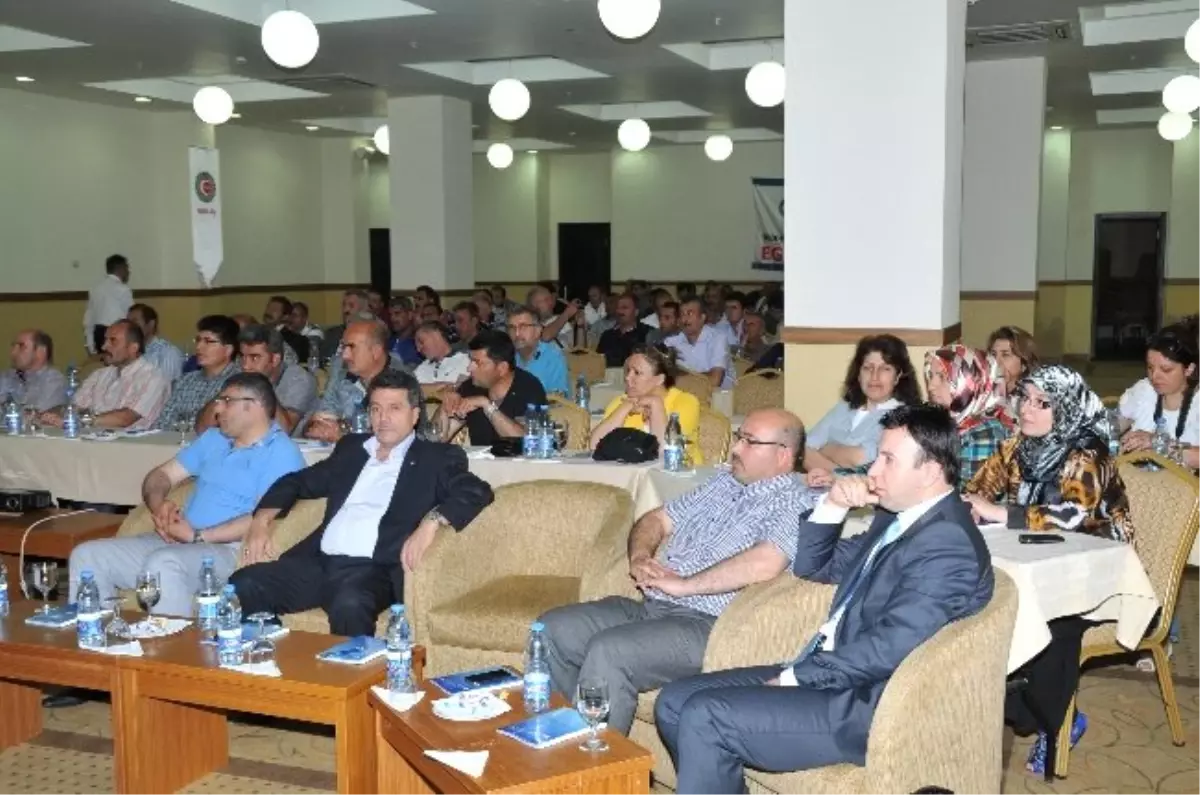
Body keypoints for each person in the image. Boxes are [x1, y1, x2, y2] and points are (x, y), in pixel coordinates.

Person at [654, 404, 994, 792]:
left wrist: (796, 678)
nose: (873, 472)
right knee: (675, 700)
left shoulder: (947, 544)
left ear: (930, 471)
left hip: (865, 705)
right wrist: (833, 505)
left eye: (887, 460)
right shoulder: (898, 517)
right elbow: (813, 566)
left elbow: (887, 649)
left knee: (704, 714)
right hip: (830, 673)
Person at [540, 409, 815, 734]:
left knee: (610, 650)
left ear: (783, 456)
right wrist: (640, 556)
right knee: (550, 629)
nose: (736, 449)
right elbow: (655, 519)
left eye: (749, 442)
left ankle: (592, 774)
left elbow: (767, 561)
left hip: (707, 626)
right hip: (652, 608)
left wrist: (686, 585)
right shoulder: (722, 483)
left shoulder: (796, 502)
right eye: (739, 437)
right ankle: (556, 746)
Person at [232, 370, 494, 635]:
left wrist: (432, 522)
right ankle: (274, 659)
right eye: (376, 409)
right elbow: (297, 482)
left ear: (414, 415)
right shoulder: (353, 450)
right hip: (318, 562)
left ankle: (350, 675)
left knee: (350, 603)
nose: (383, 418)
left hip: (373, 570)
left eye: (394, 408)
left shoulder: (434, 458)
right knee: (244, 583)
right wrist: (261, 519)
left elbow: (475, 490)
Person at [68, 372, 304, 618]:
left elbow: (262, 514)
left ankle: (170, 652)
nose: (217, 409)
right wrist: (159, 506)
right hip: (176, 542)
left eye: (225, 401)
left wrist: (198, 536)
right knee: (88, 556)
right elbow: (159, 476)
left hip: (228, 550)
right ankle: (96, 648)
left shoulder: (281, 452)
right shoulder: (214, 439)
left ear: (252, 406)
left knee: (163, 565)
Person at [964, 364, 1135, 543]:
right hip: (1035, 545)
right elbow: (977, 490)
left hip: (1097, 552)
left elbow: (1072, 517)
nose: (1024, 409)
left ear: (1065, 407)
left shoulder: (1089, 453)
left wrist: (999, 513)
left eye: (1042, 402)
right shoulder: (1016, 445)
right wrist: (973, 508)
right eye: (1024, 397)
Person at [803, 334, 919, 484]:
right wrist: (843, 476)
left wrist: (824, 450)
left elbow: (862, 460)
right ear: (858, 374)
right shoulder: (844, 407)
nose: (874, 377)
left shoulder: (903, 416)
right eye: (867, 368)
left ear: (898, 376)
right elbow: (804, 449)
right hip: (823, 486)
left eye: (885, 369)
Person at [40, 321, 169, 431]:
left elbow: (125, 419)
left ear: (133, 348)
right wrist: (48, 415)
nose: (104, 346)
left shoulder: (153, 377)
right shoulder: (100, 375)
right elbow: (75, 407)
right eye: (105, 340)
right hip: (91, 441)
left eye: (113, 341)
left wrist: (81, 421)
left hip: (134, 449)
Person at [590, 345, 703, 463]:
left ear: (659, 379)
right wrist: (626, 407)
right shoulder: (621, 402)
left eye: (637, 373)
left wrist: (656, 404)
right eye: (628, 371)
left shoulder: (686, 402)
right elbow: (594, 446)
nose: (628, 377)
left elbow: (666, 454)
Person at [923, 345, 1014, 488]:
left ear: (971, 382)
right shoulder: (954, 422)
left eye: (942, 377)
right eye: (931, 376)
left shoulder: (984, 435)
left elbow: (969, 500)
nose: (931, 386)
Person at [436, 331, 547, 446]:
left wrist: (487, 405)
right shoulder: (470, 387)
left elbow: (530, 443)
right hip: (481, 463)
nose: (469, 368)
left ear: (502, 368)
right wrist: (445, 407)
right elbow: (436, 440)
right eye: (471, 361)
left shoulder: (529, 388)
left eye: (477, 362)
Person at [1117, 318, 1200, 467]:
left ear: (1189, 369)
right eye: (1150, 367)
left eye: (1166, 370)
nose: (1154, 377)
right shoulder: (1144, 390)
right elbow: (1115, 423)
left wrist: (1157, 443)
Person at [309, 319, 403, 442]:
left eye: (352, 347)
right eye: (343, 347)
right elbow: (321, 418)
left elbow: (392, 436)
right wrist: (321, 428)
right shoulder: (341, 372)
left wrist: (344, 435)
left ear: (376, 351)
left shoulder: (401, 380)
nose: (345, 355)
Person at [156, 315, 241, 433]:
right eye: (198, 340)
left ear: (228, 350)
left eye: (208, 341)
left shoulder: (238, 383)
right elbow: (162, 423)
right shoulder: (186, 380)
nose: (199, 347)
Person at [238, 324, 317, 436]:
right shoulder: (240, 376)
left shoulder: (299, 379)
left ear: (275, 359)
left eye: (254, 357)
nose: (245, 365)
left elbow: (284, 429)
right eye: (242, 356)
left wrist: (260, 386)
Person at [665, 298, 734, 388]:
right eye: (681, 314)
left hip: (718, 398)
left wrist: (679, 377)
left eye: (689, 313)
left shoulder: (718, 339)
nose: (684, 319)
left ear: (702, 318)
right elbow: (663, 378)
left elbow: (714, 381)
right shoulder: (671, 342)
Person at [507, 307, 569, 396]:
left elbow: (557, 403)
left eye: (523, 327)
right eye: (512, 328)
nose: (517, 333)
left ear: (538, 330)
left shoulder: (553, 358)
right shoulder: (507, 357)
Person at [0, 330, 66, 411]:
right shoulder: (7, 376)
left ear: (40, 352)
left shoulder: (54, 381)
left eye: (21, 346)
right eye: (13, 346)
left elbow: (38, 416)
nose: (13, 353)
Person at [83, 254, 133, 357]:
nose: (128, 272)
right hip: (118, 335)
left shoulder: (95, 289)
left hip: (99, 335)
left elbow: (89, 320)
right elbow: (131, 316)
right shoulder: (123, 290)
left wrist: (90, 345)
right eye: (127, 268)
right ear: (121, 268)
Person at [127, 303, 184, 383]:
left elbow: (165, 390)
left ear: (150, 324)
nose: (130, 328)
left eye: (135, 322)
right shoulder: (128, 352)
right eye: (128, 323)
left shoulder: (167, 353)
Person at [987, 325, 1039, 413]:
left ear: (1024, 364)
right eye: (993, 354)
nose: (996, 362)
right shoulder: (983, 394)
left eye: (1005, 355)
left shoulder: (1032, 401)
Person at [596, 293, 652, 368]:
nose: (620, 311)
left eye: (624, 308)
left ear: (636, 312)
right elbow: (598, 362)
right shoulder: (607, 335)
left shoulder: (647, 333)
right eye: (617, 308)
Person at [413, 322, 470, 394]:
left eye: (421, 342)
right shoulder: (422, 368)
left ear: (436, 335)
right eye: (416, 346)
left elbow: (458, 390)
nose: (418, 349)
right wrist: (440, 387)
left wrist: (424, 388)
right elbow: (409, 389)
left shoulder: (465, 360)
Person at [319, 289, 369, 362]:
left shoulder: (370, 337)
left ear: (363, 310)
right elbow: (320, 362)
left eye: (351, 306)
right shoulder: (331, 333)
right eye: (344, 305)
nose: (345, 310)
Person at [262, 295, 313, 363]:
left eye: (274, 310)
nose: (268, 312)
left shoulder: (299, 341)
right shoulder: (258, 333)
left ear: (285, 317)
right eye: (268, 307)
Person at [386, 296, 422, 366]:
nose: (392, 319)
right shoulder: (389, 341)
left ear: (410, 315)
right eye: (390, 314)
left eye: (397, 313)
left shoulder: (418, 343)